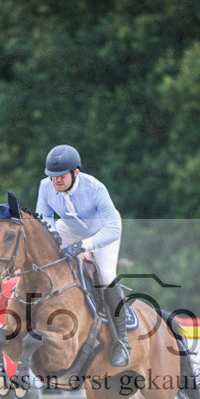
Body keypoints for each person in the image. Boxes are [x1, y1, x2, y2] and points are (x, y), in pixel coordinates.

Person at [35, 144, 130, 367]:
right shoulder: (45, 187)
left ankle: (123, 342)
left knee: (106, 276)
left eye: (61, 176)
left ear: (75, 172)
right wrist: (54, 238)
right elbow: (45, 218)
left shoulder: (95, 188)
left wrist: (83, 246)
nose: (56, 181)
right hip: (69, 229)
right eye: (52, 176)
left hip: (102, 232)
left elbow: (113, 229)